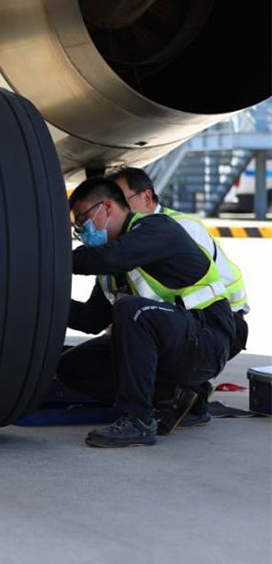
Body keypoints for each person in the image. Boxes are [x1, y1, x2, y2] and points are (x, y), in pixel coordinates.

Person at [61, 177, 235, 447]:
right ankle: (172, 396)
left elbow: (110, 258)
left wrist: (51, 258)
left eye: (83, 222)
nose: (82, 233)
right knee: (72, 366)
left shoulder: (156, 228)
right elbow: (90, 320)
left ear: (106, 207)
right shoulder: (113, 266)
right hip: (173, 341)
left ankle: (138, 420)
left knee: (132, 309)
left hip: (207, 340)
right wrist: (45, 301)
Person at [107, 167, 250, 426]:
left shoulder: (181, 229)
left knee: (136, 317)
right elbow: (96, 316)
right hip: (177, 327)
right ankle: (176, 394)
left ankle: (160, 403)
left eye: (121, 200)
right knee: (81, 364)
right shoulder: (120, 248)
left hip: (219, 328)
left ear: (147, 198)